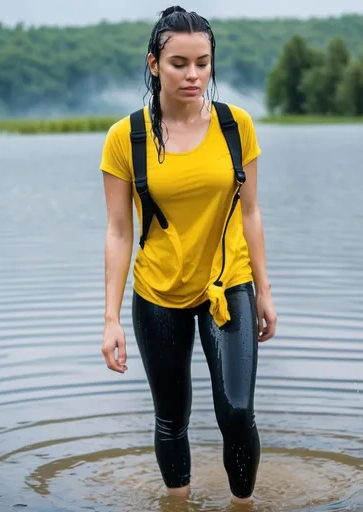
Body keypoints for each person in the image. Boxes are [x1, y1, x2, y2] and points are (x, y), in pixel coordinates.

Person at [99, 5, 277, 505]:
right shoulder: (126, 138)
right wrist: (109, 318)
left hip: (229, 285)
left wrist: (264, 291)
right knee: (171, 417)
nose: (194, 74)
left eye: (203, 62)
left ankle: (244, 506)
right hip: (158, 292)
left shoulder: (234, 126)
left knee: (238, 412)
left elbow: (251, 214)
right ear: (153, 63)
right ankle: (179, 502)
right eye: (179, 62)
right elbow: (117, 232)